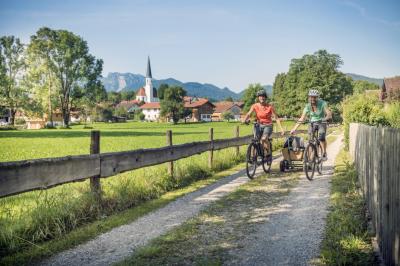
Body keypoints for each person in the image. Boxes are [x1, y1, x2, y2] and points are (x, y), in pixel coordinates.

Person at [290, 89, 332, 160]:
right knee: (310, 140)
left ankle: (324, 153)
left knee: (321, 137)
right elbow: (302, 118)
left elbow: (329, 114)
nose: (313, 99)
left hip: (321, 122)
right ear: (309, 97)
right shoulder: (307, 106)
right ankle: (310, 159)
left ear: (317, 97)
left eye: (314, 97)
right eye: (311, 97)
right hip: (312, 122)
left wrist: (325, 118)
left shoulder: (322, 103)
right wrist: (294, 128)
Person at [242, 90, 285, 155]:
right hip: (259, 125)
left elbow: (276, 118)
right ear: (258, 98)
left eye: (263, 96)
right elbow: (249, 113)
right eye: (260, 96)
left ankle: (268, 152)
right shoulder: (255, 106)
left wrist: (281, 129)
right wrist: (244, 119)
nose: (262, 98)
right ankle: (256, 156)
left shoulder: (270, 107)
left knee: (264, 139)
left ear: (265, 98)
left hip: (268, 125)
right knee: (256, 140)